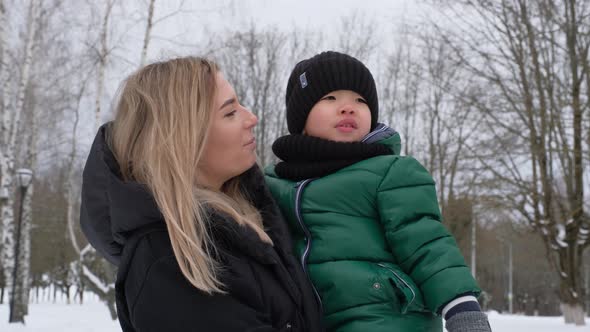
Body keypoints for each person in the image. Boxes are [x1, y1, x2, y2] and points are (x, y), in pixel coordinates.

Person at [79, 56, 323, 332]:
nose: (252, 118)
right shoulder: (169, 261)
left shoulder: (252, 220)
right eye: (230, 113)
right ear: (183, 138)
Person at [265, 51, 491, 332]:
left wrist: (461, 307)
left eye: (360, 101)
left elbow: (425, 242)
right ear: (302, 116)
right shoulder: (272, 182)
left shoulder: (390, 171)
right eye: (331, 98)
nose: (348, 108)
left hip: (385, 318)